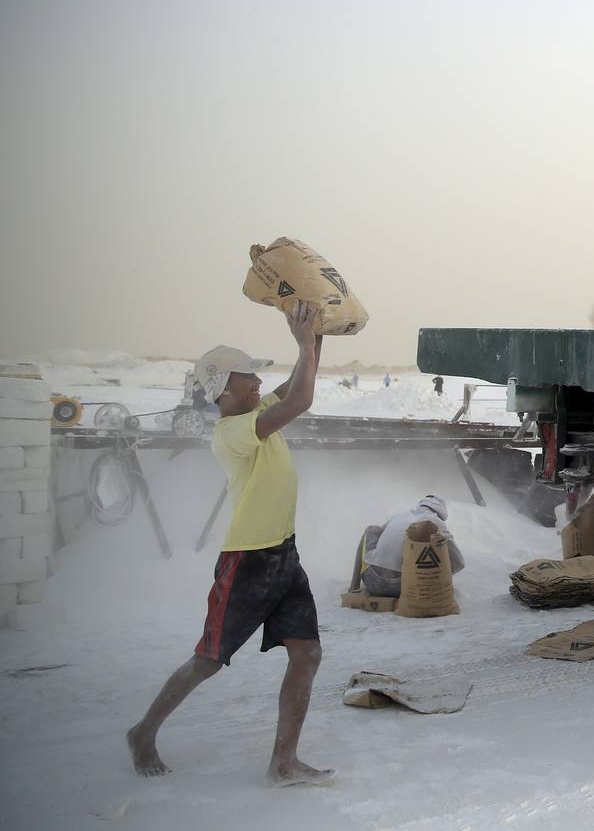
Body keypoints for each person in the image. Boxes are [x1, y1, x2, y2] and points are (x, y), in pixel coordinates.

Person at [128, 300, 333, 788]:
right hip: (248, 561)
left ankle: (283, 762)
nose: (259, 384)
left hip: (284, 553)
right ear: (222, 386)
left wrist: (311, 335)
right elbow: (298, 401)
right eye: (249, 377)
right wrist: (303, 344)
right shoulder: (233, 432)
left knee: (306, 654)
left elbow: (302, 383)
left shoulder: (259, 409)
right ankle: (142, 733)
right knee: (208, 660)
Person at [357, 495, 465, 597]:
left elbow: (383, 535)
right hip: (404, 587)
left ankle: (353, 587)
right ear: (441, 513)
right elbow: (459, 562)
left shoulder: (400, 515)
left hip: (371, 581)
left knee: (371, 530)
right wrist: (438, 575)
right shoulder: (436, 522)